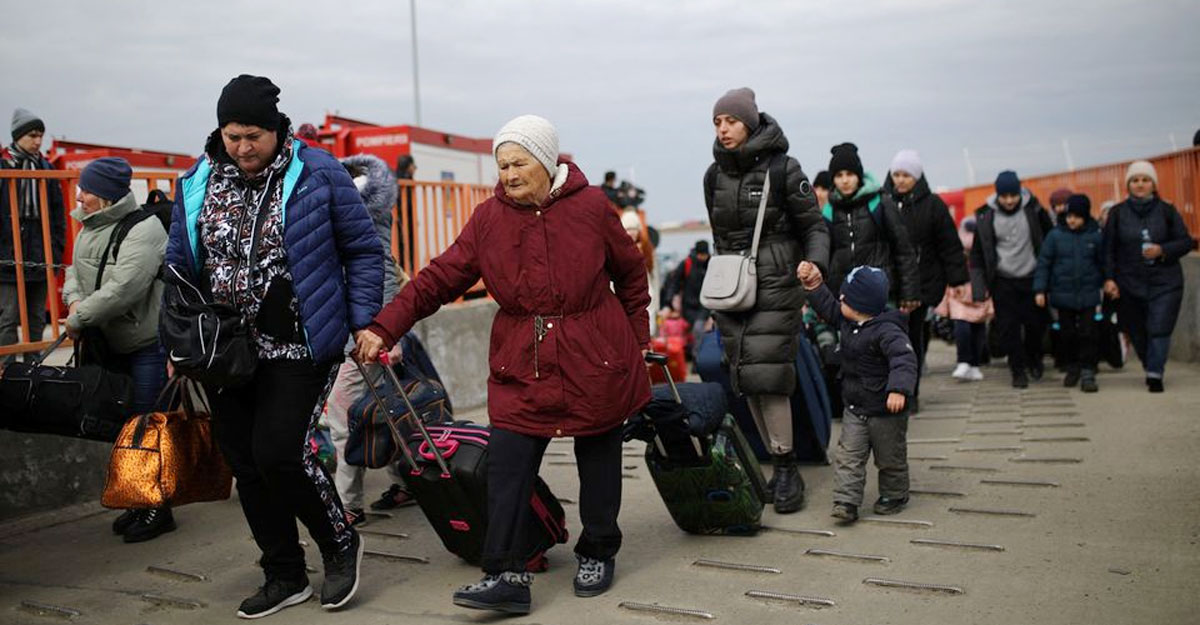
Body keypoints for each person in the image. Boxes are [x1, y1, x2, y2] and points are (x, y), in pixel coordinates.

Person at [355, 115, 651, 615]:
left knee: (598, 457)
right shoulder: (489, 219)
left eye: (519, 163)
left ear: (547, 161)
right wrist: (385, 326)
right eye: (503, 165)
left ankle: (598, 550)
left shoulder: (593, 207)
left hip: (594, 352)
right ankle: (505, 571)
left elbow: (631, 276)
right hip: (523, 357)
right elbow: (438, 278)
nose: (510, 174)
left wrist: (636, 342)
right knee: (508, 463)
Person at [164, 75, 384, 618]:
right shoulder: (196, 180)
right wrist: (179, 338)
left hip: (301, 341)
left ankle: (338, 542)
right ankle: (283, 571)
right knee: (245, 461)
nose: (243, 147)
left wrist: (362, 321)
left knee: (281, 453)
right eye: (233, 135)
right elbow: (178, 265)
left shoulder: (318, 172)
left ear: (276, 129)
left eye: (253, 136)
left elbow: (362, 249)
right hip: (226, 351)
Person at [703, 88, 830, 514]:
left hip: (776, 280)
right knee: (745, 374)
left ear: (750, 122)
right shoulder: (713, 176)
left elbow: (814, 225)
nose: (723, 129)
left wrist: (814, 262)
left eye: (731, 121)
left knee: (768, 373)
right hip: (732, 286)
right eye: (717, 122)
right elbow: (720, 237)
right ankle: (778, 462)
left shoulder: (784, 168)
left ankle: (787, 467)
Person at [61, 157, 172, 541]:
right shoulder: (89, 224)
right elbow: (73, 271)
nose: (81, 195)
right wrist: (74, 303)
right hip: (109, 344)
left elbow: (126, 288)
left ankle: (157, 508)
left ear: (108, 196)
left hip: (145, 345)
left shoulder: (145, 229)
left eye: (88, 190)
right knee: (122, 428)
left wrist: (78, 318)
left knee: (144, 427)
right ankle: (136, 501)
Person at [324, 152, 414, 524]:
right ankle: (406, 482)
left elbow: (382, 276)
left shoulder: (354, 216)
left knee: (346, 422)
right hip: (364, 337)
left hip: (361, 340)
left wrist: (389, 335)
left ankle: (347, 505)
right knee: (382, 416)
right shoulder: (369, 214)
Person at [798, 262, 917, 524]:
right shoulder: (847, 319)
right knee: (848, 456)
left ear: (863, 305)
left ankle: (895, 494)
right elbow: (828, 307)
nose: (840, 298)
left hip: (886, 411)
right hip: (854, 406)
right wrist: (814, 287)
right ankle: (846, 501)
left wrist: (898, 389)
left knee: (890, 457)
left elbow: (904, 359)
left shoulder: (888, 330)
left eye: (847, 297)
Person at [882, 149, 967, 410]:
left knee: (913, 338)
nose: (900, 180)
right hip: (891, 284)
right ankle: (892, 389)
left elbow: (949, 245)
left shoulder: (933, 206)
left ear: (916, 177)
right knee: (890, 339)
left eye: (906, 175)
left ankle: (911, 391)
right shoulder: (883, 202)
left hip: (923, 283)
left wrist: (958, 280)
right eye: (896, 174)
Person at [1102, 160, 1195, 392]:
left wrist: (1163, 250)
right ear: (1128, 185)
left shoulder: (1167, 211)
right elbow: (1108, 249)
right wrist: (1109, 278)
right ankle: (1149, 362)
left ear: (1153, 184)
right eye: (1135, 180)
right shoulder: (1117, 213)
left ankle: (1155, 374)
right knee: (1137, 330)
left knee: (1159, 327)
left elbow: (1185, 241)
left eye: (1145, 180)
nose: (1140, 184)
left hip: (1165, 281)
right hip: (1129, 282)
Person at [970, 170, 1053, 388]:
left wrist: (1049, 278)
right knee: (1008, 327)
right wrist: (980, 288)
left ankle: (1034, 358)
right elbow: (978, 254)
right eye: (1004, 196)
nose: (1008, 201)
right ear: (997, 195)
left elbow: (1050, 242)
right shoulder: (985, 215)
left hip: (1033, 278)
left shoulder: (1034, 210)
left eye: (1013, 196)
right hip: (1003, 280)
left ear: (1020, 192)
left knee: (1036, 324)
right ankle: (1018, 370)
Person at [0, 108, 66, 355]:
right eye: (32, 135)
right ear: (17, 137)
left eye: (41, 135)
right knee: (8, 317)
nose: (38, 141)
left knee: (36, 317)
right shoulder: (3, 167)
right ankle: (6, 373)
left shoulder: (47, 170)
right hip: (7, 257)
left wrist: (55, 250)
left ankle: (32, 371)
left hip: (40, 255)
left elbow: (58, 215)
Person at [824, 143, 920, 309]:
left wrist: (909, 292)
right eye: (839, 175)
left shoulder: (880, 202)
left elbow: (902, 248)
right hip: (845, 297)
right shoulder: (829, 211)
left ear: (859, 175)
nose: (845, 180)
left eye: (850, 174)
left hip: (881, 294)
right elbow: (826, 257)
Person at [1033, 194, 1103, 392]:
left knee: (1088, 333)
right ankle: (1072, 367)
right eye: (1069, 216)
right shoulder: (1055, 236)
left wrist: (1109, 280)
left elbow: (1104, 262)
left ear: (1085, 216)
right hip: (1063, 295)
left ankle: (1088, 370)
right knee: (1067, 334)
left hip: (1088, 293)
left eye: (1077, 216)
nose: (1072, 220)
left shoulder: (1095, 236)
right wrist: (1040, 289)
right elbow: (1044, 264)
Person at [944, 217, 993, 381]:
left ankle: (974, 364)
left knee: (978, 327)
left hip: (979, 289)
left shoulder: (985, 245)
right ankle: (964, 361)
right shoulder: (956, 247)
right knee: (962, 326)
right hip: (960, 289)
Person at [395, 154, 417, 272]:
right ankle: (409, 269)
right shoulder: (406, 180)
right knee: (406, 244)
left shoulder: (395, 178)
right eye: (413, 166)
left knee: (401, 245)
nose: (414, 169)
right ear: (408, 166)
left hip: (400, 218)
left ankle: (404, 270)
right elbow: (406, 202)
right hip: (404, 217)